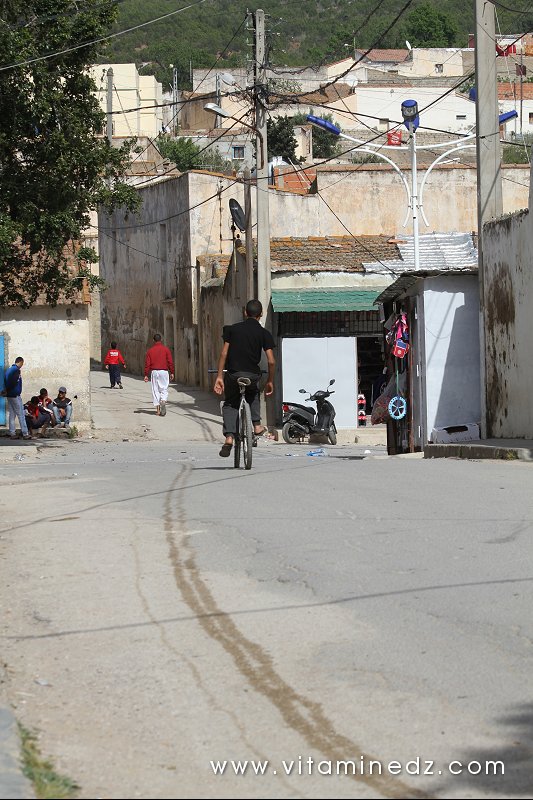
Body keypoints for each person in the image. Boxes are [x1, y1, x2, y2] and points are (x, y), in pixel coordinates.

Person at [214, 299, 275, 457]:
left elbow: (224, 353)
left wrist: (219, 376)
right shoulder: (263, 333)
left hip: (234, 374)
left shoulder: (232, 330)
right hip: (252, 375)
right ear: (261, 314)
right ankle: (257, 425)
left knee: (230, 403)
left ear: (245, 312)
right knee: (253, 393)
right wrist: (270, 381)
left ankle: (229, 437)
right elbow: (271, 361)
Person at [144, 334, 174, 417]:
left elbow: (147, 364)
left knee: (155, 390)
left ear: (153, 340)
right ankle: (163, 400)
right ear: (161, 340)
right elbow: (170, 362)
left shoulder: (150, 351)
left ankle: (158, 411)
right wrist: (172, 372)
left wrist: (146, 374)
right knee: (164, 388)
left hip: (154, 372)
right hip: (164, 371)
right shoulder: (166, 349)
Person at [2, 357, 31, 440]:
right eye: (22, 363)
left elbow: (6, 382)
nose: (22, 365)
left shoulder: (8, 370)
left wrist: (6, 391)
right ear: (20, 362)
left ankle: (12, 433)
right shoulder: (16, 370)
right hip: (15, 395)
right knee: (21, 414)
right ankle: (25, 433)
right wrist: (7, 390)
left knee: (12, 414)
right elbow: (13, 382)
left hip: (10, 395)